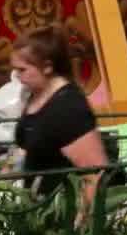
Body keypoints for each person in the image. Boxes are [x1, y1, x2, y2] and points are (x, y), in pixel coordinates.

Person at [8, 26, 111, 203]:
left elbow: (94, 173)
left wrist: (81, 223)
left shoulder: (69, 107)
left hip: (62, 214)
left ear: (47, 67)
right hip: (35, 209)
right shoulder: (35, 95)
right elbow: (23, 151)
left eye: (22, 70)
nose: (17, 76)